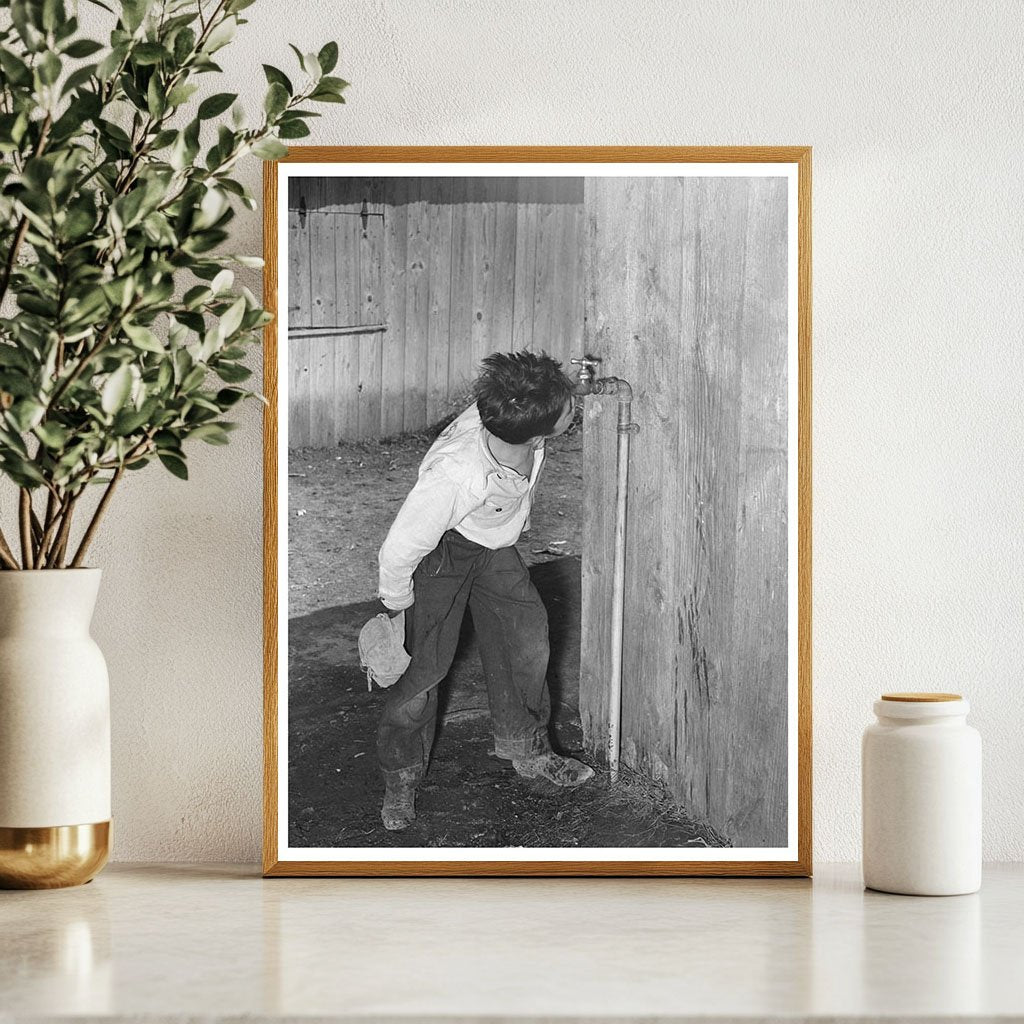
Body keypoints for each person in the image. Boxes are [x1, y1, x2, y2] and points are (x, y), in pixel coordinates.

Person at [375, 350, 594, 831]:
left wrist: (570, 385)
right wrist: (396, 608)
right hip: (441, 553)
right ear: (538, 433)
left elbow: (530, 392)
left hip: (493, 546)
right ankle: (401, 775)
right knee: (424, 667)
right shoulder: (455, 474)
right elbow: (400, 547)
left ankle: (528, 750)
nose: (572, 410)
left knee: (527, 638)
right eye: (568, 409)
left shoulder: (508, 412)